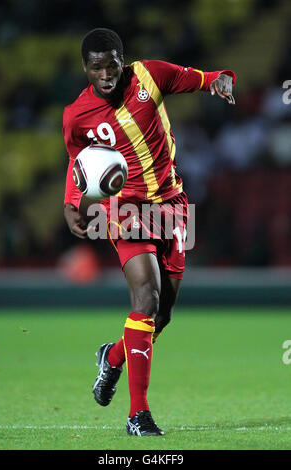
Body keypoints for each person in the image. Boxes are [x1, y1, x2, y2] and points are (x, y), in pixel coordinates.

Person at [63, 28, 236, 436]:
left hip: (173, 203)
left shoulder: (151, 76)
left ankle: (113, 357)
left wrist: (221, 81)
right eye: (96, 67)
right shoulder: (76, 115)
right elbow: (78, 162)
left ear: (123, 61)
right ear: (85, 68)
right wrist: (72, 204)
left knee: (161, 315)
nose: (105, 75)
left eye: (112, 65)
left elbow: (203, 78)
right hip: (123, 207)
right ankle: (137, 414)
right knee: (146, 296)